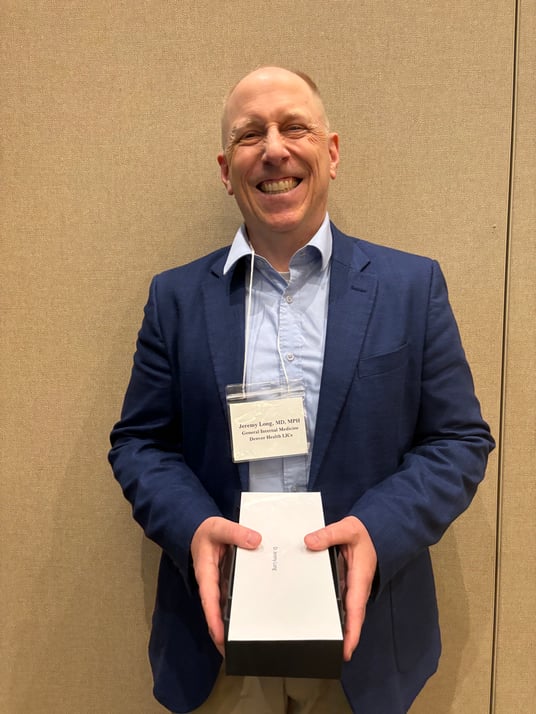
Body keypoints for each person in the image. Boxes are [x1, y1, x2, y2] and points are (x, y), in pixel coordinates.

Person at [109, 66, 494, 714]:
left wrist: (378, 529)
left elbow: (458, 439)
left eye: (295, 127)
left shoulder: (411, 287)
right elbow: (141, 443)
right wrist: (192, 525)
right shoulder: (174, 299)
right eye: (250, 134)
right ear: (227, 168)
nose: (275, 149)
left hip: (367, 648)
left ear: (332, 152)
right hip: (220, 650)